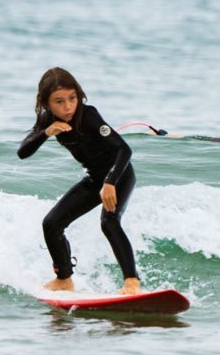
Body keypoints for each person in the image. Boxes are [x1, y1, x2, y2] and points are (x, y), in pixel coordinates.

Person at [17, 67, 140, 295]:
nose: (68, 107)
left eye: (72, 99)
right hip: (94, 179)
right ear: (46, 104)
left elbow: (124, 149)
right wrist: (46, 133)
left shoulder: (89, 116)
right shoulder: (48, 121)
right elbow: (23, 152)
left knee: (109, 222)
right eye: (59, 101)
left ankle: (132, 282)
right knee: (51, 223)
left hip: (119, 176)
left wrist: (110, 182)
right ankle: (64, 279)